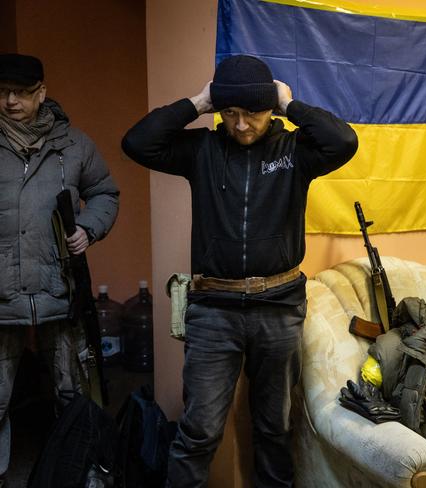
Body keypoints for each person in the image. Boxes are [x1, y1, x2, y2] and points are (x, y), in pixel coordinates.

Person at [122, 54, 358, 487]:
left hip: (280, 309)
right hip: (214, 311)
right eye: (230, 113)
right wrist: (197, 102)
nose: (242, 125)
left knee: (274, 429)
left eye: (253, 113)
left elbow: (343, 142)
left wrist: (290, 106)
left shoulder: (295, 153)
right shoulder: (202, 151)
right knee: (198, 432)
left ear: (271, 111)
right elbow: (137, 143)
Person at [0, 53, 119, 485]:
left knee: (74, 396)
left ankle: (75, 475)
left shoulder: (74, 145)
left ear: (42, 94)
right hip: (2, 294)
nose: (10, 101)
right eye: (2, 92)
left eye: (21, 93)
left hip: (60, 290)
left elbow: (106, 192)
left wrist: (89, 227)